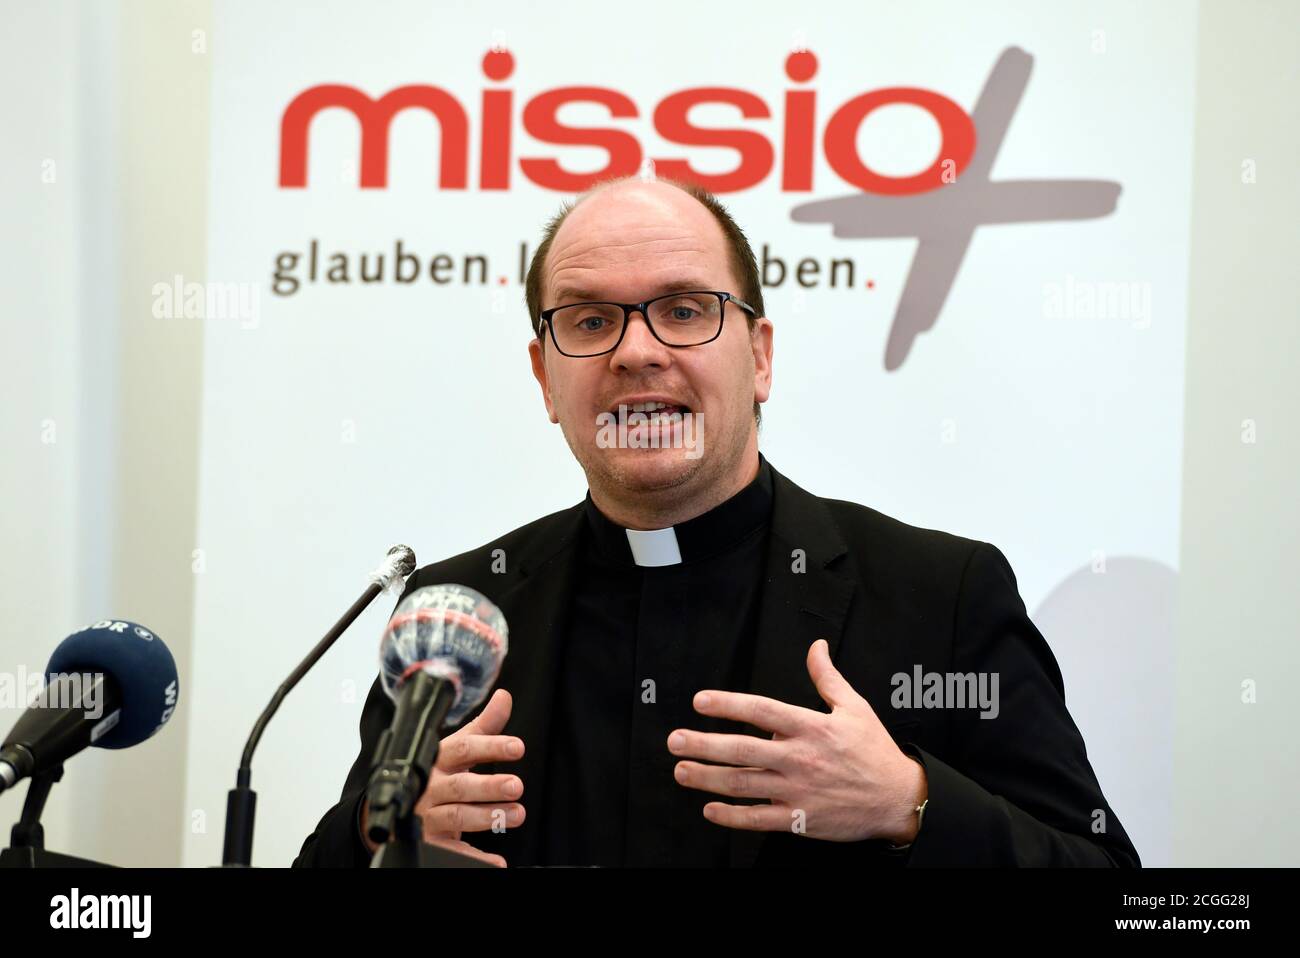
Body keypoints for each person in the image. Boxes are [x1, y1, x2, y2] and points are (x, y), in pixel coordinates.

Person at [293, 176, 1139, 868]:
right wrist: (379, 833)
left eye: (685, 310)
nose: (635, 353)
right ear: (545, 378)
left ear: (760, 355)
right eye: (589, 321)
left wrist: (911, 804)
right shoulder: (460, 613)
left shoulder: (940, 595)